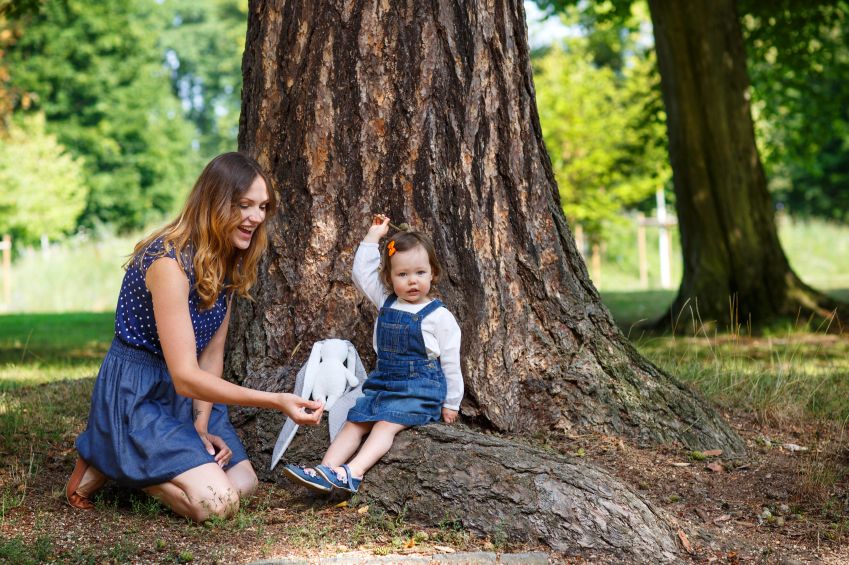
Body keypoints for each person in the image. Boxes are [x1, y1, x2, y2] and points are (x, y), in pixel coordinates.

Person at [65, 152, 324, 522]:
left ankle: (128, 458)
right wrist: (277, 400)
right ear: (214, 202)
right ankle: (112, 456)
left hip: (187, 395)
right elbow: (186, 375)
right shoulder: (168, 263)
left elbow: (210, 355)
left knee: (243, 481)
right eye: (244, 205)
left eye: (263, 206)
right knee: (218, 504)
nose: (256, 217)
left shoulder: (226, 259)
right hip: (139, 395)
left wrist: (199, 424)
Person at [283, 215, 463, 493]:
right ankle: (325, 470)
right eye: (402, 275)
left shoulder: (439, 317)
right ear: (390, 278)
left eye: (420, 273)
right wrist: (372, 238)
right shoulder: (386, 300)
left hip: (419, 389)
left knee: (384, 424)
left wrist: (452, 403)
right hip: (385, 382)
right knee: (356, 421)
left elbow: (451, 362)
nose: (412, 281)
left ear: (433, 273)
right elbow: (361, 274)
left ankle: (352, 472)